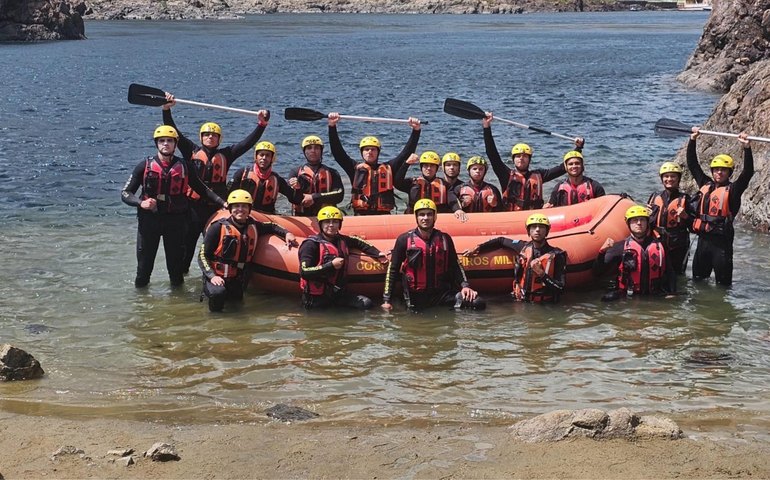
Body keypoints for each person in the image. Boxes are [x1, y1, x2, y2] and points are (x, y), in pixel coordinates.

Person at [161, 94, 270, 273]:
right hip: (193, 209)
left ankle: (214, 277)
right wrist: (167, 110)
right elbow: (174, 131)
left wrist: (262, 124)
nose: (210, 137)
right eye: (207, 135)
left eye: (214, 135)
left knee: (214, 248)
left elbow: (247, 143)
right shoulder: (191, 150)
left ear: (219, 139)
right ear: (201, 137)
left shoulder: (227, 154)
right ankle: (181, 281)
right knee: (186, 248)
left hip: (216, 209)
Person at [121, 125, 225, 288]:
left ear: (175, 144)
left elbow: (202, 189)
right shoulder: (144, 166)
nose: (165, 144)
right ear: (157, 144)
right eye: (162, 141)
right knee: (143, 271)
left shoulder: (184, 166)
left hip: (175, 223)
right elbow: (126, 193)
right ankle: (141, 307)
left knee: (176, 273)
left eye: (170, 141)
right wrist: (141, 202)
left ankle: (178, 308)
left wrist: (224, 203)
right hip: (150, 222)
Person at [198, 190, 296, 312]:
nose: (240, 209)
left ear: (249, 209)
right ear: (230, 209)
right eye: (236, 206)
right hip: (217, 277)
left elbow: (272, 226)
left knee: (238, 306)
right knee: (218, 294)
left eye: (244, 206)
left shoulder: (253, 225)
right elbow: (202, 255)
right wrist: (212, 276)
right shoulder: (217, 227)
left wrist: (287, 233)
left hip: (236, 279)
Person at [382, 199, 485, 312]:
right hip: (414, 298)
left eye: (429, 214)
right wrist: (387, 300)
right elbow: (393, 269)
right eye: (421, 215)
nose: (425, 218)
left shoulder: (445, 239)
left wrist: (465, 286)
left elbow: (456, 265)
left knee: (478, 303)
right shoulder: (404, 240)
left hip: (442, 295)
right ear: (416, 217)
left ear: (435, 217)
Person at [687, 129, 754, 286]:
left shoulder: (733, 191)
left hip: (722, 245)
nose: (719, 172)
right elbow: (692, 164)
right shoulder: (705, 184)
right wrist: (693, 140)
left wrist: (747, 148)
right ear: (712, 171)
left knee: (723, 287)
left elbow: (748, 173)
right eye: (716, 169)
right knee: (698, 283)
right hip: (703, 241)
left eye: (723, 170)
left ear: (729, 172)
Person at [327, 112, 422, 215]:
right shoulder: (354, 169)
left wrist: (416, 130)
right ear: (362, 152)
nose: (370, 152)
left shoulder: (389, 167)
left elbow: (406, 153)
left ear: (378, 152)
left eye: (373, 149)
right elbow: (338, 153)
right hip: (361, 214)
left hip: (384, 215)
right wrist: (332, 126)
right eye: (366, 149)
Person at [298, 206, 388, 309]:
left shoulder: (342, 240)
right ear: (320, 224)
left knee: (366, 304)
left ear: (339, 224)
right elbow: (304, 272)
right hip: (316, 299)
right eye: (327, 222)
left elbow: (359, 242)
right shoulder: (310, 245)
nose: (331, 225)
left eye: (335, 222)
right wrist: (331, 265)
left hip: (338, 294)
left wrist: (378, 254)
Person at [482, 112, 575, 211]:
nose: (521, 158)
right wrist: (486, 127)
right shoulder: (505, 175)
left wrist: (578, 148)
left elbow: (562, 168)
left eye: (525, 156)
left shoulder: (540, 175)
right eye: (518, 156)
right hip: (511, 217)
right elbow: (492, 154)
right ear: (513, 159)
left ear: (529, 159)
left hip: (533, 219)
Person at [465, 213, 567, 303]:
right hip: (520, 299)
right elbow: (501, 240)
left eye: (541, 227)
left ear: (547, 231)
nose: (537, 230)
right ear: (528, 231)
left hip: (544, 305)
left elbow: (561, 288)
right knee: (484, 303)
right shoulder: (523, 246)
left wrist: (542, 274)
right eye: (533, 227)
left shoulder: (556, 255)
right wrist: (478, 248)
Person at [594, 205, 676, 301]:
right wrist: (602, 252)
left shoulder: (660, 246)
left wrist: (672, 292)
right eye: (634, 220)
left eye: (642, 220)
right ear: (628, 223)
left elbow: (670, 272)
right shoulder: (620, 247)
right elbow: (597, 272)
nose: (639, 223)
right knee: (606, 299)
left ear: (647, 223)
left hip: (655, 294)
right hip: (628, 295)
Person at [228, 141, 303, 214]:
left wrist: (298, 188)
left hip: (267, 216)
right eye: (261, 155)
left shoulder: (277, 179)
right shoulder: (242, 174)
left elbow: (296, 200)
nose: (264, 158)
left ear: (272, 158)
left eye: (267, 155)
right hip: (245, 214)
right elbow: (228, 193)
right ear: (256, 157)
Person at [646, 162, 693, 275]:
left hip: (678, 245)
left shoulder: (685, 199)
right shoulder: (654, 197)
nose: (669, 179)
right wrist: (646, 215)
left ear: (678, 179)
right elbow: (648, 224)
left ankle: (676, 292)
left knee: (677, 275)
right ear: (662, 179)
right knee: (656, 273)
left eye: (673, 176)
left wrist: (685, 216)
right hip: (657, 241)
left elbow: (694, 227)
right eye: (666, 176)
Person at [394, 151, 466, 219]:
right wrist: (406, 164)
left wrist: (457, 209)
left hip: (437, 219)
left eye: (432, 166)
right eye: (426, 165)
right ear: (421, 168)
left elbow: (452, 199)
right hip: (415, 217)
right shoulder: (412, 183)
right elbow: (397, 182)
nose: (429, 168)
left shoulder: (445, 184)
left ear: (436, 168)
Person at [288, 135, 345, 217]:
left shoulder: (332, 172)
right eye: (309, 148)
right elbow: (291, 197)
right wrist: (296, 189)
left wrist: (313, 197)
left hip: (326, 218)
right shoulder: (295, 173)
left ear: (321, 151)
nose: (313, 151)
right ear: (304, 151)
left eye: (316, 148)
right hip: (303, 217)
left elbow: (339, 195)